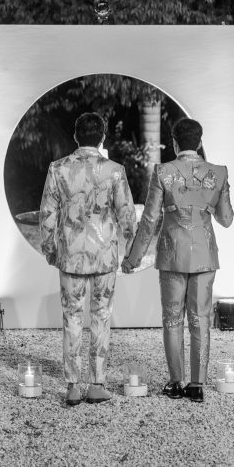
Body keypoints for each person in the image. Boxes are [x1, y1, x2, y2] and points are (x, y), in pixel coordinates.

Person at [121, 118, 233, 403]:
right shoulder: (218, 173)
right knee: (201, 319)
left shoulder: (164, 172)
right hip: (205, 256)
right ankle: (197, 385)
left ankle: (176, 382)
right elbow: (227, 219)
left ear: (174, 142)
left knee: (172, 320)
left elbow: (149, 221)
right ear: (199, 142)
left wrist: (133, 259)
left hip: (171, 255)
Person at [40, 112, 137, 406]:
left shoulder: (58, 169)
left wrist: (49, 248)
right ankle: (97, 383)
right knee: (102, 316)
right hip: (104, 254)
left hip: (70, 253)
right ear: (102, 137)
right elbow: (128, 218)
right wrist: (130, 247)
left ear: (75, 136)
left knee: (71, 316)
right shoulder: (115, 170)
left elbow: (47, 214)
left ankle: (72, 385)